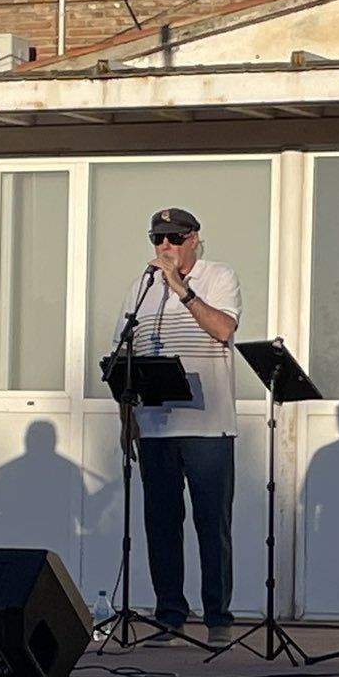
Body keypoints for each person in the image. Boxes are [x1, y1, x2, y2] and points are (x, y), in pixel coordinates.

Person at [114, 206, 241, 642]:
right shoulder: (139, 288)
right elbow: (122, 358)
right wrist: (126, 419)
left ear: (193, 239)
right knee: (162, 524)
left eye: (173, 238)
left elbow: (223, 330)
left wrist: (181, 290)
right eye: (157, 239)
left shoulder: (218, 276)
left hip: (208, 426)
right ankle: (169, 613)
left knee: (212, 524)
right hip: (156, 426)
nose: (164, 247)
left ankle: (218, 619)